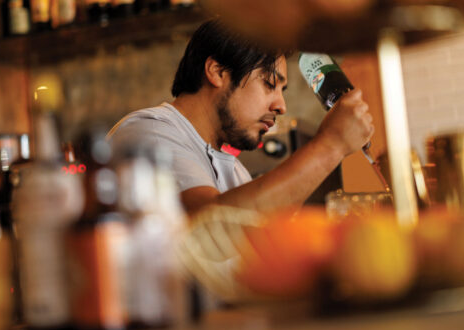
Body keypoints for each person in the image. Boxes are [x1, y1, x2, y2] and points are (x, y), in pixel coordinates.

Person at [108, 18, 374, 215]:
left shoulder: (236, 172)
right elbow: (212, 226)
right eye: (269, 84)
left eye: (282, 90)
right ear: (217, 72)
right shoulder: (147, 134)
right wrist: (331, 144)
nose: (281, 106)